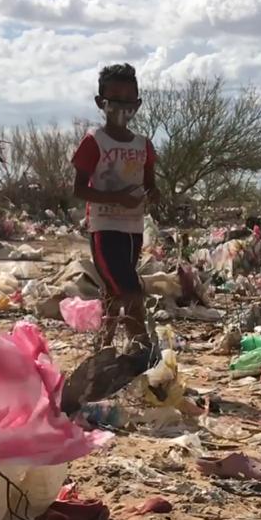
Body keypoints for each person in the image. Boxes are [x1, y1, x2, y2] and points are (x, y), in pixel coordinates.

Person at [71, 63, 160, 348]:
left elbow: (150, 182)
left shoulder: (142, 144)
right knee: (130, 290)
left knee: (113, 289)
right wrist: (116, 198)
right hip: (104, 226)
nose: (122, 107)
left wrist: (153, 195)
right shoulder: (94, 141)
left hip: (133, 228)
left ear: (138, 104)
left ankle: (103, 345)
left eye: (128, 100)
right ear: (101, 102)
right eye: (115, 99)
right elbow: (79, 189)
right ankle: (142, 350)